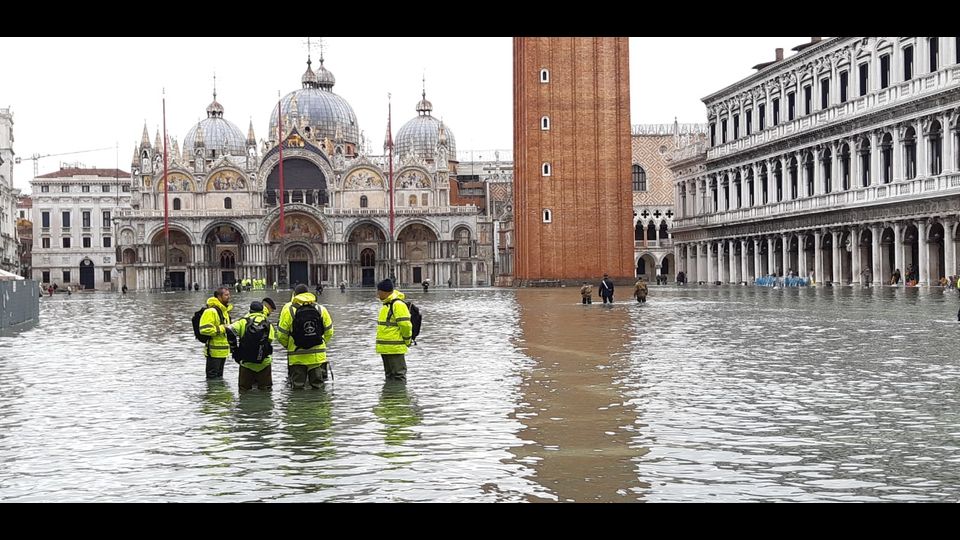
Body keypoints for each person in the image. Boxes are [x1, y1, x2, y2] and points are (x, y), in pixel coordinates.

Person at [278, 284, 333, 389]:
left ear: (295, 295)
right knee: (319, 389)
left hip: (296, 357)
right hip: (317, 358)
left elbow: (281, 335)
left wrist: (289, 346)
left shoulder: (288, 310)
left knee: (297, 389)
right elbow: (329, 331)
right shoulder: (320, 309)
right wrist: (321, 342)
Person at [228, 298, 277, 391]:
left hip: (246, 364)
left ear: (250, 310)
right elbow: (270, 341)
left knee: (244, 391)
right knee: (266, 392)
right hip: (264, 364)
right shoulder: (268, 324)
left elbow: (229, 330)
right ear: (262, 310)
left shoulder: (243, 322)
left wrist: (234, 350)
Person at [375, 279, 413, 382]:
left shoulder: (398, 305)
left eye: (379, 292)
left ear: (386, 292)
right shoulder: (385, 305)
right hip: (385, 348)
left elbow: (405, 325)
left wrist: (407, 340)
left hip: (395, 348)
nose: (377, 295)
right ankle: (389, 397)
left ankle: (399, 397)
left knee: (398, 375)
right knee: (389, 376)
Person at [199, 287, 234, 379]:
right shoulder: (211, 311)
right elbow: (204, 329)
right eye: (226, 295)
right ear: (219, 296)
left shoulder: (224, 311)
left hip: (223, 352)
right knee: (212, 380)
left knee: (219, 379)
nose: (229, 297)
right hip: (213, 352)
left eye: (229, 294)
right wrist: (223, 328)